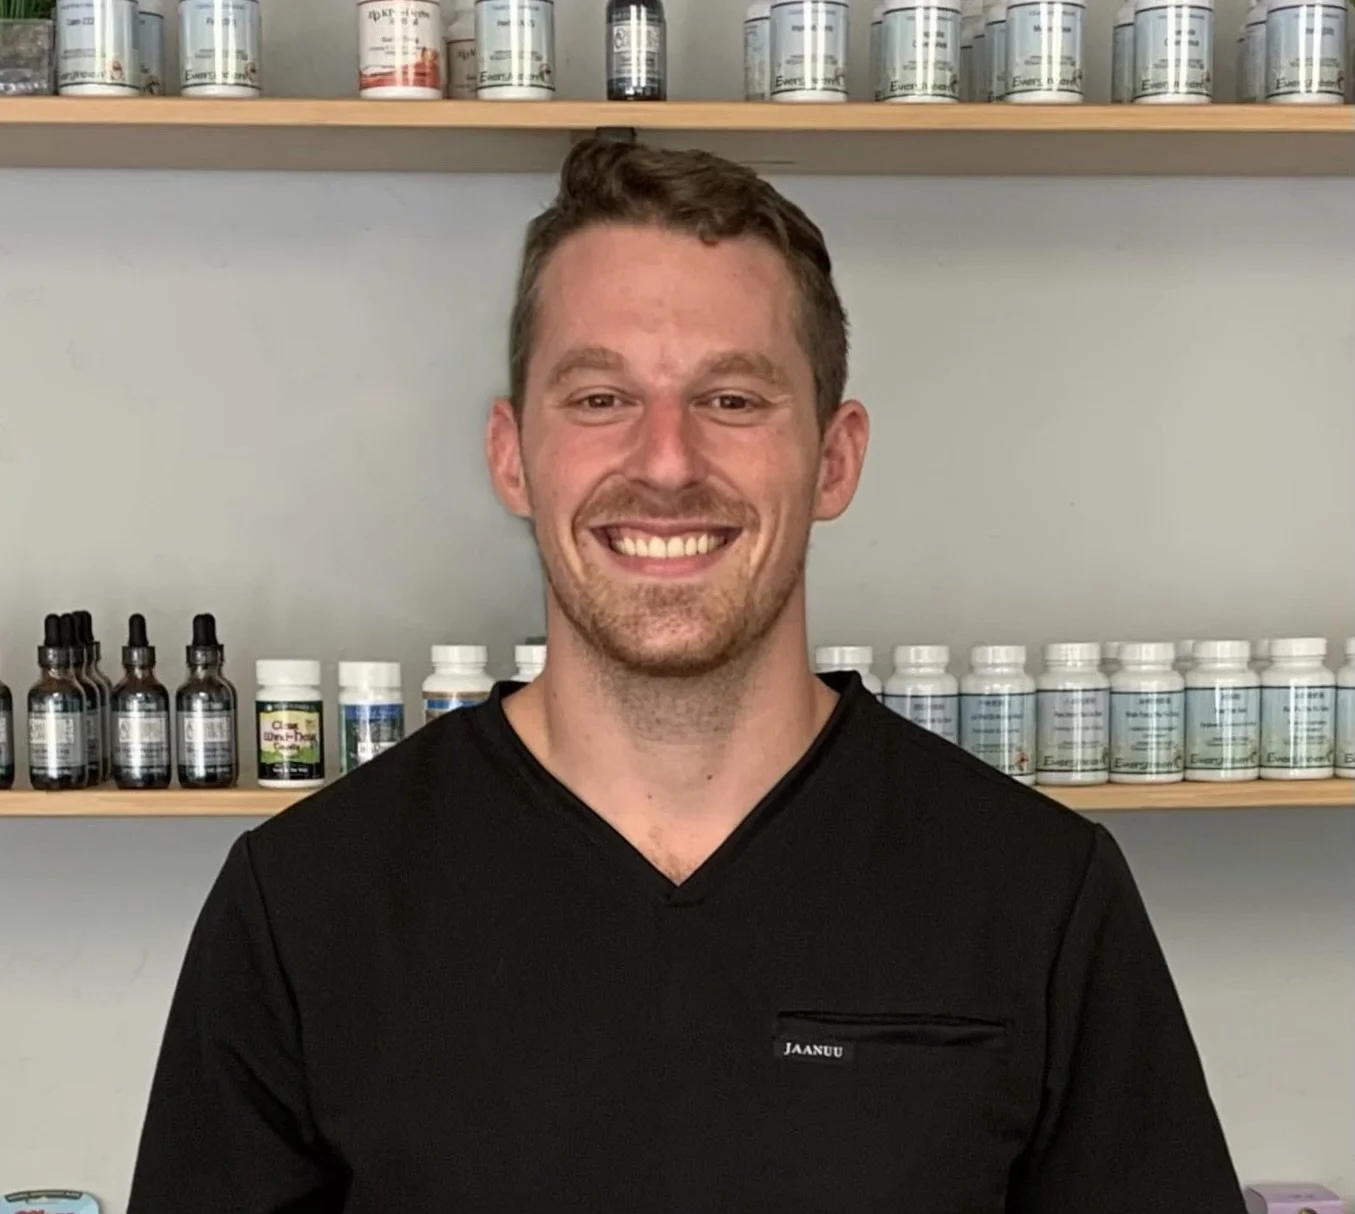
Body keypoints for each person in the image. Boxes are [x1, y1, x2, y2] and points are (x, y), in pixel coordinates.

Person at [129, 138, 1245, 1212]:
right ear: (513, 454)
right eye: (600, 397)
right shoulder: (303, 906)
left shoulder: (1041, 900)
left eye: (733, 398)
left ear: (835, 456)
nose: (665, 461)